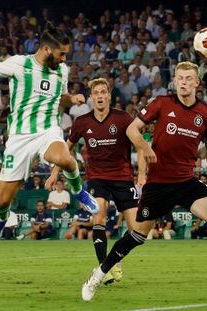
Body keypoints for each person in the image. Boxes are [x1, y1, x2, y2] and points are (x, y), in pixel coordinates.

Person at [82, 61, 207, 301]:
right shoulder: (162, 103)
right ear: (175, 80)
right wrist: (145, 147)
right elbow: (132, 129)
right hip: (159, 183)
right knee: (138, 236)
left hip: (186, 181)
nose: (183, 82)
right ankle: (98, 275)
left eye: (187, 78)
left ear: (196, 82)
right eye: (179, 78)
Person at [0, 24, 99, 244]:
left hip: (47, 131)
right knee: (1, 201)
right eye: (62, 54)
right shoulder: (20, 64)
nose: (64, 59)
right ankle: (1, 219)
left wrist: (72, 98)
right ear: (47, 49)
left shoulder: (62, 70)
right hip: (20, 138)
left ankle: (80, 192)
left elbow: (61, 98)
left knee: (65, 160)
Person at [47, 78, 145, 284]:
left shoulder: (123, 118)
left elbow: (141, 147)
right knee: (98, 218)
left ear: (109, 95)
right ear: (91, 98)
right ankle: (105, 270)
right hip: (97, 178)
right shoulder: (82, 122)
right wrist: (55, 172)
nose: (100, 96)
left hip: (122, 178)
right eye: (96, 93)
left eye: (103, 92)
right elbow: (66, 148)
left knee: (137, 231)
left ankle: (113, 260)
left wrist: (142, 176)